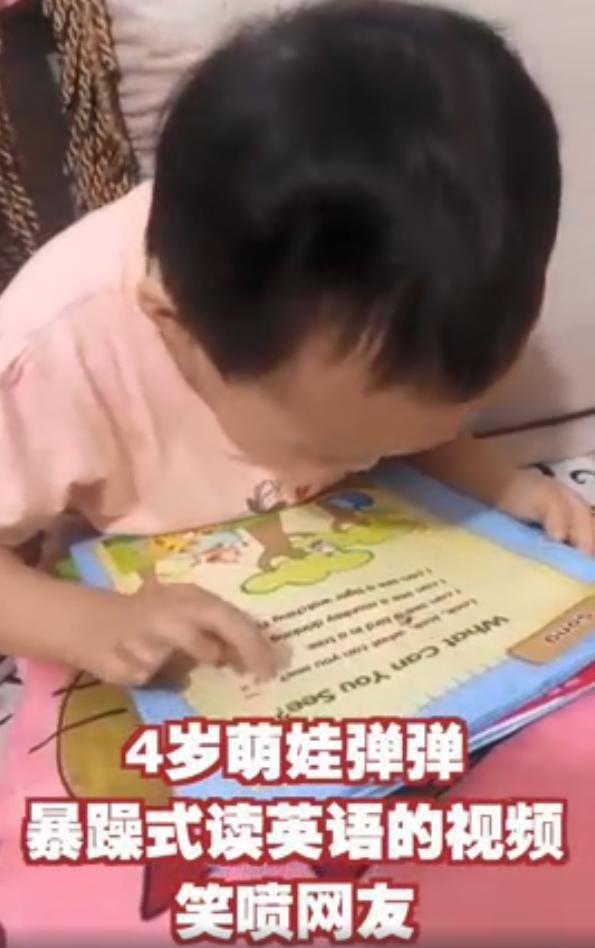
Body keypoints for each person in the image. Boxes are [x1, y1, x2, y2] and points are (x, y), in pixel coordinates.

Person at [0, 0, 592, 690]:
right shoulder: (51, 355)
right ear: (175, 328)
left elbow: (407, 428)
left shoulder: (410, 309)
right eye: (330, 448)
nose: (369, 457)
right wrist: (86, 623)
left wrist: (500, 482)